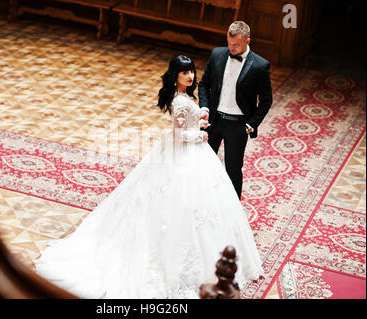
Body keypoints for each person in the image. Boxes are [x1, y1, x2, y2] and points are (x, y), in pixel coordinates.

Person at [34, 55, 264, 299]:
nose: (190, 76)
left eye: (192, 72)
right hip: (185, 152)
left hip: (191, 154)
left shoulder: (185, 98)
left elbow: (185, 125)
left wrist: (199, 123)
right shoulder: (180, 101)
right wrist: (199, 136)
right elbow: (178, 135)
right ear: (175, 75)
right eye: (184, 72)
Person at [198, 21, 273, 199]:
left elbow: (266, 100)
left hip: (238, 126)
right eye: (229, 43)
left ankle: (233, 212)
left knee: (232, 169)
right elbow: (204, 84)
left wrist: (250, 125)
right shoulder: (217, 54)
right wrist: (204, 106)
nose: (231, 47)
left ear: (248, 41)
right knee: (202, 164)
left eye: (236, 44)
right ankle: (201, 200)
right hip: (213, 121)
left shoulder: (260, 66)